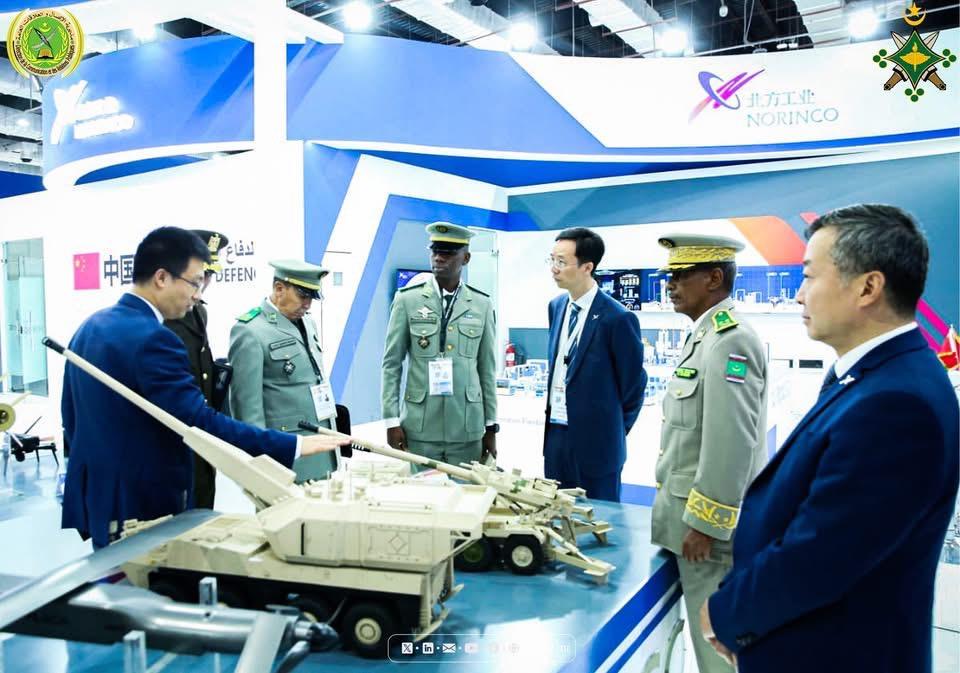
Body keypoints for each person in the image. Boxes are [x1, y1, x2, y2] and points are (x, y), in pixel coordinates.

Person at [702, 205, 960, 673]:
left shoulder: (898, 403)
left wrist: (725, 615)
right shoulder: (874, 376)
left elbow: (820, 555)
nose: (798, 294)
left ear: (868, 287)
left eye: (808, 276)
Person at [60, 227, 347, 548]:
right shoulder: (156, 338)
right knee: (149, 573)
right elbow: (198, 420)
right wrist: (292, 445)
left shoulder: (91, 326)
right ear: (162, 278)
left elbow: (70, 416)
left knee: (115, 573)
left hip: (102, 496)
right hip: (145, 498)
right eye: (195, 282)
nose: (198, 294)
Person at [651, 234, 768, 673]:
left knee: (715, 651)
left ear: (714, 278)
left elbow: (731, 443)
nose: (670, 285)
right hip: (685, 523)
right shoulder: (704, 336)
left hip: (704, 536)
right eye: (670, 276)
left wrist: (706, 524)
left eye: (681, 276)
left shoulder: (729, 341)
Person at [542, 227, 646, 501]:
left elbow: (634, 387)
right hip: (556, 438)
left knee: (598, 518)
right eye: (552, 259)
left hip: (599, 446)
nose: (554, 268)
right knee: (555, 514)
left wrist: (611, 431)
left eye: (561, 261)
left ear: (587, 267)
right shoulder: (556, 307)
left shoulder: (617, 318)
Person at [381, 222, 498, 466]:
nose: (439, 258)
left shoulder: (481, 305)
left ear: (466, 258)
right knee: (422, 489)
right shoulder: (407, 300)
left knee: (466, 489)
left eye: (448, 253)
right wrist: (391, 420)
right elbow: (391, 364)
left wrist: (490, 426)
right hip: (420, 424)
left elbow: (487, 368)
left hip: (466, 425)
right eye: (435, 251)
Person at [229, 260, 338, 482]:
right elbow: (247, 408)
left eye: (311, 297)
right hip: (285, 452)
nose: (307, 304)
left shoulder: (307, 323)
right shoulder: (250, 331)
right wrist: (259, 460)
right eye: (302, 296)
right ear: (279, 289)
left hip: (320, 442)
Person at [164, 229, 228, 508]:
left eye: (209, 275)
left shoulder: (200, 311)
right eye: (199, 276)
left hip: (202, 438)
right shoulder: (159, 319)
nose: (205, 283)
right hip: (173, 443)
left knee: (203, 512)